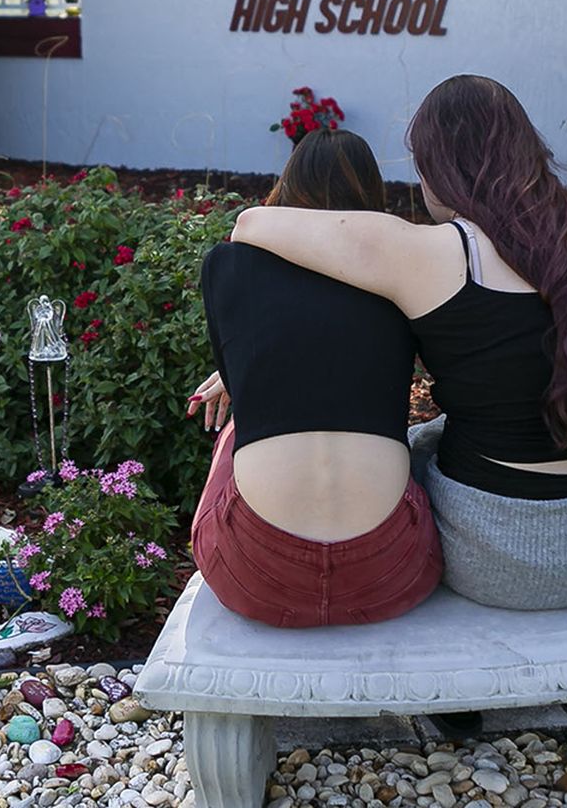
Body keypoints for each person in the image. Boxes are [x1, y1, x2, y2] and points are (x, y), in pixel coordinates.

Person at [229, 74, 567, 612]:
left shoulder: (427, 254)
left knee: (406, 455)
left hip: (508, 559)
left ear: (439, 170)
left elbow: (253, 223)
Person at [189, 129, 443, 629]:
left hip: (252, 577)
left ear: (288, 184)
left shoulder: (228, 265)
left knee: (239, 428)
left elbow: (258, 383)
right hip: (390, 575)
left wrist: (238, 374)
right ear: (372, 192)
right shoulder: (403, 277)